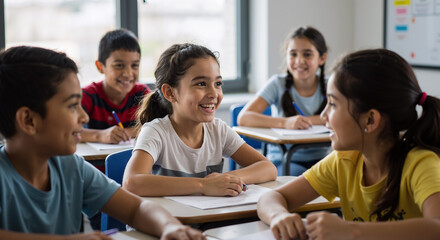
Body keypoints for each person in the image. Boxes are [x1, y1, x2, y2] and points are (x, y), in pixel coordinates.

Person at [0, 46, 204, 240]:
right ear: (29, 120)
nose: (84, 117)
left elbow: (136, 209)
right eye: (72, 106)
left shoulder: (71, 167)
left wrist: (170, 226)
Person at [257, 48, 440, 240]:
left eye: (333, 104)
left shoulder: (420, 164)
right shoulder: (344, 161)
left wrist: (352, 231)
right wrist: (279, 216)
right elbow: (271, 198)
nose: (323, 115)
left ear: (370, 120)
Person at [122, 43, 277, 197]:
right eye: (201, 84)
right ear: (170, 93)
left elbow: (268, 168)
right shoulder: (156, 132)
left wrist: (228, 180)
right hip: (169, 219)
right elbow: (132, 182)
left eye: (217, 84)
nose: (213, 93)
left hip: (207, 219)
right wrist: (203, 185)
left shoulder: (218, 130)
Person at [237, 26, 331, 176]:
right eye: (293, 54)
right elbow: (244, 118)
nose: (299, 61)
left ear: (322, 58)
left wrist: (306, 121)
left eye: (307, 54)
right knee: (303, 180)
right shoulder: (277, 84)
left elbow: (348, 116)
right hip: (284, 160)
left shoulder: (332, 84)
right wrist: (285, 123)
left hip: (323, 160)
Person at [81, 28, 151, 144]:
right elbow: (68, 130)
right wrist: (100, 135)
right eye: (119, 65)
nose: (128, 73)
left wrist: (127, 133)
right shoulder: (87, 96)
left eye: (134, 65)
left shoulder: (142, 94)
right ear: (100, 67)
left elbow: (158, 125)